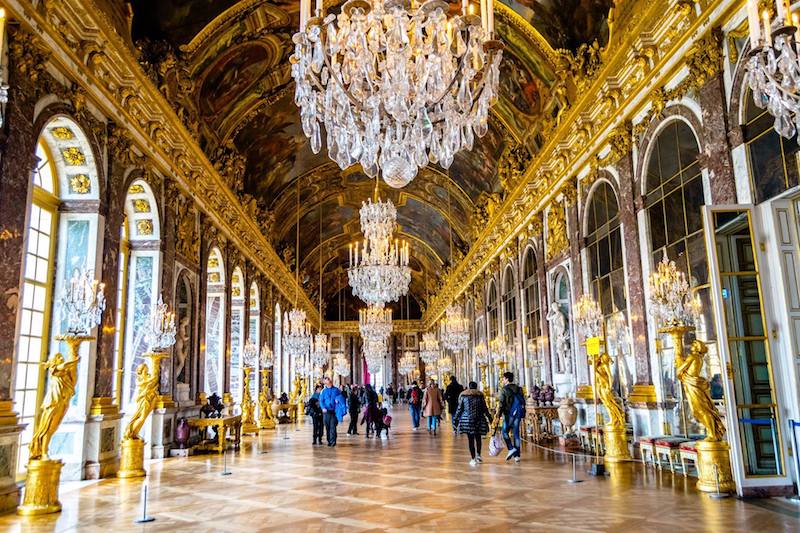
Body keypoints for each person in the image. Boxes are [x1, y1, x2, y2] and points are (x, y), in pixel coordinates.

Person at [453, 381, 492, 466]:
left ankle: (473, 458)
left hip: (467, 420)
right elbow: (485, 409)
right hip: (479, 419)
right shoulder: (480, 396)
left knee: (470, 440)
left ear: (469, 387)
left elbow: (459, 409)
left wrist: (455, 419)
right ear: (476, 387)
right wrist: (490, 418)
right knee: (478, 438)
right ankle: (478, 455)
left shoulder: (463, 396)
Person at [496, 371, 524, 462]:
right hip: (518, 413)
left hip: (509, 414)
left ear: (507, 379)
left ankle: (511, 448)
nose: (502, 380)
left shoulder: (504, 389)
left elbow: (501, 404)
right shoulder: (519, 388)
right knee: (516, 434)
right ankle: (517, 456)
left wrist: (498, 415)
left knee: (504, 432)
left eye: (503, 378)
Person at [319, 376, 344, 447]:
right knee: (327, 427)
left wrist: (338, 400)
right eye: (327, 381)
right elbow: (321, 401)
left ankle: (333, 441)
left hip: (334, 412)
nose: (329, 382)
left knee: (333, 427)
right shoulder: (323, 391)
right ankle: (329, 440)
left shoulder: (336, 390)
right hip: (326, 412)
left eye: (329, 380)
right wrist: (323, 407)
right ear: (325, 383)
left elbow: (341, 398)